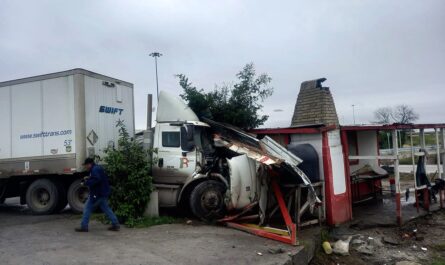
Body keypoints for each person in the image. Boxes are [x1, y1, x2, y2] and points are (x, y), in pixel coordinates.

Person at [75, 158, 120, 232]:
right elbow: (98, 178)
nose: (85, 167)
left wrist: (85, 183)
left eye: (86, 165)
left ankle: (84, 227)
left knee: (87, 208)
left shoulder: (94, 169)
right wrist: (89, 177)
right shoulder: (97, 168)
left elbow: (97, 179)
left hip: (97, 194)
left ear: (89, 164)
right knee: (106, 209)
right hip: (102, 193)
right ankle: (115, 224)